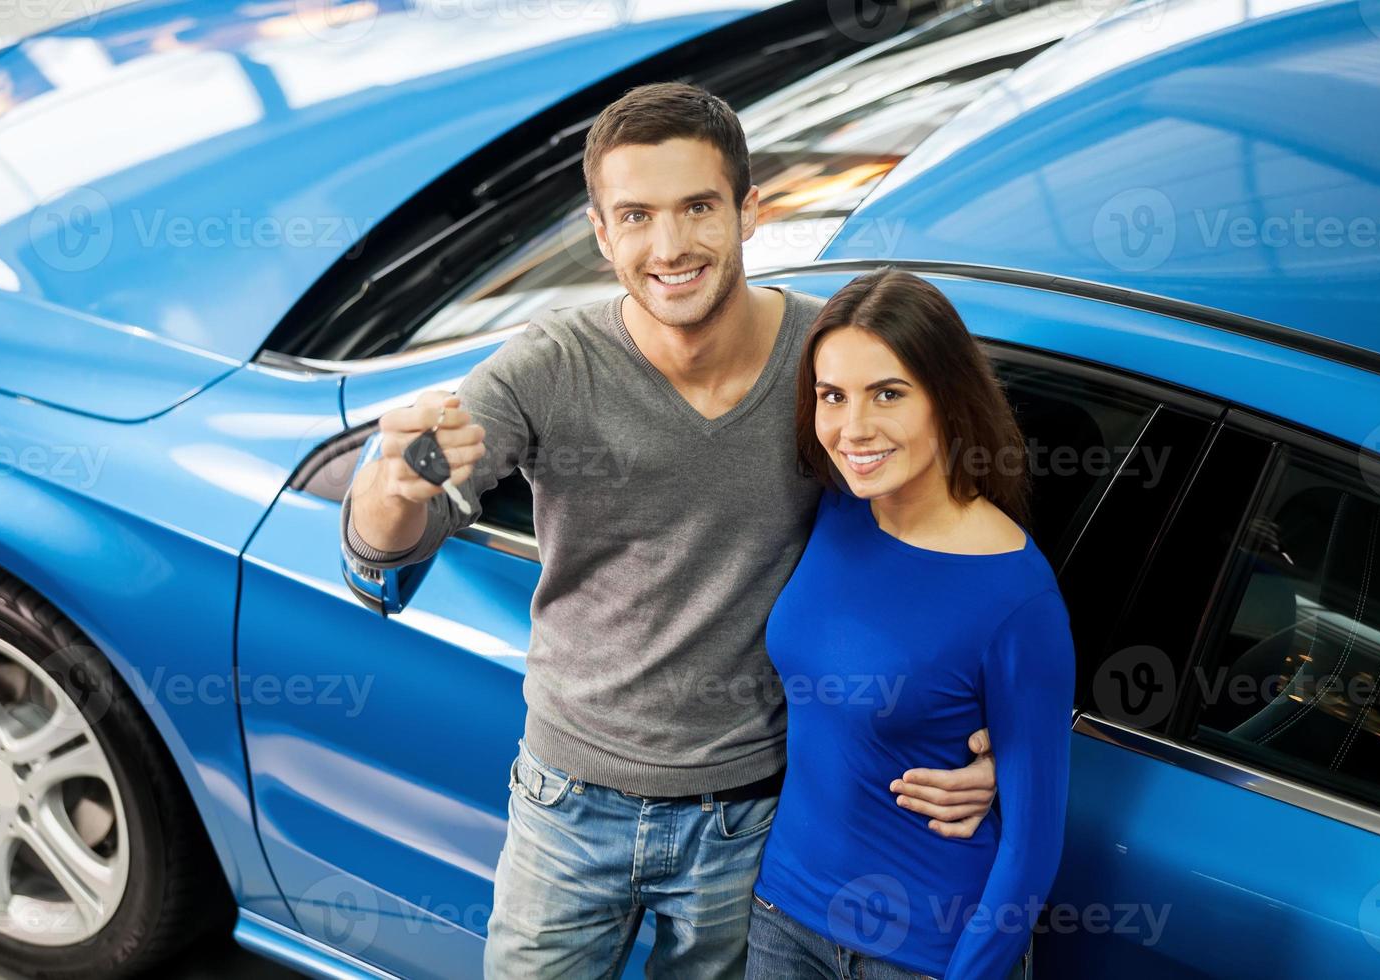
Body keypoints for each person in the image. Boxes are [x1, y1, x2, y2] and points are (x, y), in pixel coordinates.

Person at [341, 83, 1000, 978]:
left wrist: (995, 725)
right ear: (602, 232)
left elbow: (942, 541)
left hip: (758, 817)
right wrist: (397, 478)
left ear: (750, 211)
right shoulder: (548, 366)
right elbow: (375, 560)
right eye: (637, 216)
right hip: (567, 805)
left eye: (698, 207)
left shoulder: (826, 363)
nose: (671, 245)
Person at [745, 270, 1076, 980]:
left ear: (946, 401)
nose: (853, 428)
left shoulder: (1017, 595)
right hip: (783, 915)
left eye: (887, 394)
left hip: (917, 955)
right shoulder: (836, 508)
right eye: (833, 396)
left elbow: (1031, 847)